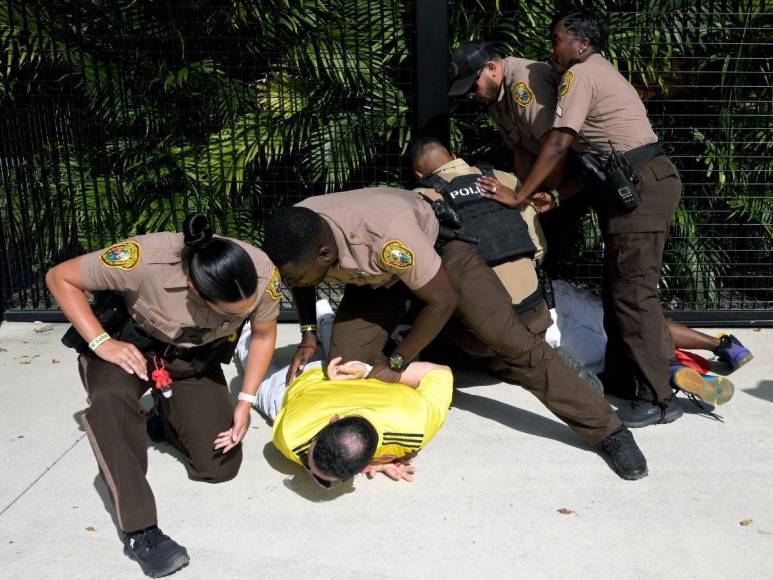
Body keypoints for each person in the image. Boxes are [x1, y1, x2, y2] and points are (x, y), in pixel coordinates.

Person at [261, 188, 650, 480]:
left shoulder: (387, 238)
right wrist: (309, 335)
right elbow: (302, 279)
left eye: (294, 275)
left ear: (325, 254)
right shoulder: (301, 232)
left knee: (511, 342)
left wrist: (397, 364)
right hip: (376, 281)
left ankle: (608, 431)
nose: (291, 281)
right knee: (345, 364)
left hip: (441, 264)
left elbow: (442, 300)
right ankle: (371, 430)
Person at [477, 8, 688, 428]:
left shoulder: (581, 73)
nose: (551, 49)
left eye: (556, 39)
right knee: (618, 289)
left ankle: (659, 398)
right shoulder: (591, 71)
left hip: (641, 184)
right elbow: (593, 162)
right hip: (627, 184)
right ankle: (623, 379)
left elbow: (558, 143)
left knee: (634, 293)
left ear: (581, 43)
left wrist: (519, 194)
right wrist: (555, 193)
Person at [46, 214, 280, 578]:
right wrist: (101, 342)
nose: (243, 314)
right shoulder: (143, 259)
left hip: (189, 360)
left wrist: (245, 402)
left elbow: (264, 335)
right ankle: (141, 531)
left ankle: (162, 419)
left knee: (219, 466)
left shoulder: (261, 272)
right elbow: (59, 277)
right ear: (194, 288)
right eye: (232, 313)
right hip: (130, 349)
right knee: (110, 402)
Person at [408, 137, 601, 392]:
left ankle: (506, 363)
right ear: (455, 156)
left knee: (433, 296)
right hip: (535, 313)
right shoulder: (504, 180)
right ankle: (535, 358)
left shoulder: (421, 199)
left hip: (482, 331)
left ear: (418, 173)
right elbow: (538, 248)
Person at [448, 40, 591, 277]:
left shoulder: (522, 84)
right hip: (548, 168)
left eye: (472, 87)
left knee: (555, 235)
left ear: (491, 69)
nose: (470, 96)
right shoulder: (494, 96)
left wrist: (530, 199)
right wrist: (523, 194)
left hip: (577, 167)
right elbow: (520, 148)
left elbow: (555, 148)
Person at [267, 356, 453, 487]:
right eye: (308, 460)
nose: (309, 468)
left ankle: (324, 313)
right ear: (334, 419)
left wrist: (370, 372)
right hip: (305, 380)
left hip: (352, 370)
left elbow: (439, 371)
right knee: (261, 377)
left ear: (334, 419)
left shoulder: (418, 423)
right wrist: (368, 373)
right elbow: (439, 371)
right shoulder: (291, 436)